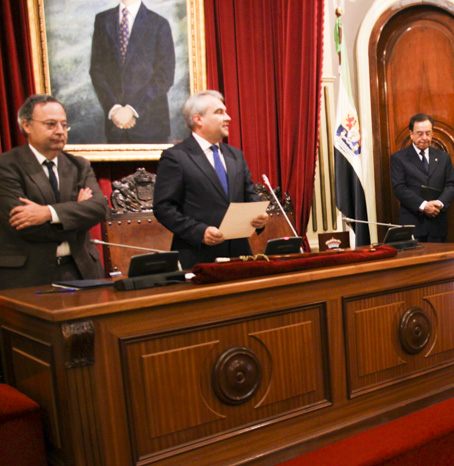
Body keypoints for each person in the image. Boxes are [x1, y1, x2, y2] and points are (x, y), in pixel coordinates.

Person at [0, 94, 109, 289]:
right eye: (51, 124)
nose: (60, 131)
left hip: (81, 272)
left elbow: (99, 209)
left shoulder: (79, 166)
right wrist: (77, 212)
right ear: (27, 125)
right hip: (29, 277)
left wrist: (47, 213)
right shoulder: (7, 166)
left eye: (64, 125)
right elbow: (24, 225)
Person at [153, 90, 268, 269]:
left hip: (240, 255)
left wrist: (259, 217)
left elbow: (250, 194)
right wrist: (200, 232)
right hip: (198, 256)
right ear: (198, 119)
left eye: (226, 111)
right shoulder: (176, 157)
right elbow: (164, 208)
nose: (228, 117)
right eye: (219, 112)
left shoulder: (235, 155)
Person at [90, 0, 175, 144]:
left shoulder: (159, 23)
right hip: (115, 124)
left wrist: (131, 109)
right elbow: (97, 70)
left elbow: (164, 76)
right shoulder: (102, 20)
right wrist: (114, 109)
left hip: (150, 125)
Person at [390, 113, 454, 242]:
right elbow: (399, 188)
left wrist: (439, 203)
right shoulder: (399, 158)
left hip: (437, 225)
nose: (424, 137)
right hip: (412, 225)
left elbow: (451, 185)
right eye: (420, 133)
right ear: (411, 134)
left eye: (428, 133)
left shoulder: (444, 157)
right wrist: (423, 205)